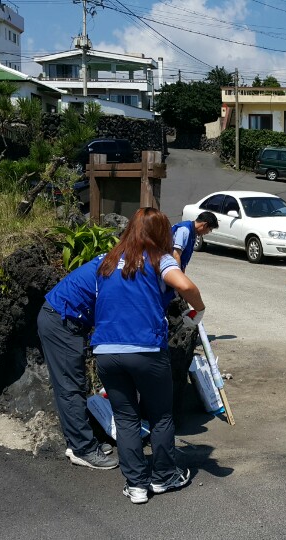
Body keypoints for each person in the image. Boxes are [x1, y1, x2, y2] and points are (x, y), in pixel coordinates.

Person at [91, 207, 206, 504]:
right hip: (145, 350)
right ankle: (164, 477)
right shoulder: (159, 259)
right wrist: (198, 310)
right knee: (161, 415)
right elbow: (185, 285)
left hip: (105, 350)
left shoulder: (107, 260)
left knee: (126, 418)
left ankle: (136, 486)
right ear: (159, 233)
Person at [38, 256, 119, 470]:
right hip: (61, 321)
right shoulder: (122, 267)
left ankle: (81, 440)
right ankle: (82, 449)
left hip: (68, 320)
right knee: (70, 387)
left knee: (74, 384)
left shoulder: (121, 257)